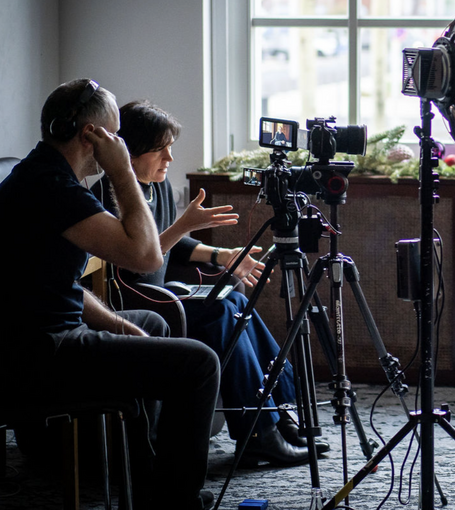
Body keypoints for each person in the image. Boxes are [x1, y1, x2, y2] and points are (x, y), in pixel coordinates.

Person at [0, 79, 221, 510]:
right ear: (91, 136)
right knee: (199, 364)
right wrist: (122, 170)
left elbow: (53, 284)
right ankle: (171, 501)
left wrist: (119, 324)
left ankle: (143, 476)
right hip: (40, 351)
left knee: (151, 323)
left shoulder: (42, 173)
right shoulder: (53, 189)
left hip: (38, 333)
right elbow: (145, 256)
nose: (120, 143)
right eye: (116, 135)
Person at [94, 99, 328, 466]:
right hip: (136, 303)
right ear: (131, 152)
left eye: (170, 148)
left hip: (163, 292)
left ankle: (280, 413)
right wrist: (185, 225)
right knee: (222, 310)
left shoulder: (158, 185)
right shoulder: (108, 196)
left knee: (235, 302)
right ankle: (258, 432)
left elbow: (174, 243)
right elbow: (138, 261)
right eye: (161, 150)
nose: (169, 158)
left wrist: (223, 255)